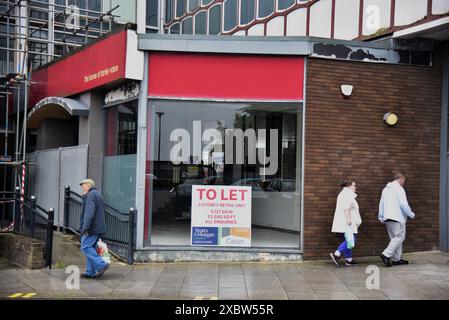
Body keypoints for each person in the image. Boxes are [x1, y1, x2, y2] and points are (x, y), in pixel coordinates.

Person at [378, 173, 415, 267]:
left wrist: (381, 216)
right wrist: (410, 214)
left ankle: (396, 259)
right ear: (401, 179)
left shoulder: (385, 189)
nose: (404, 183)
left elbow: (381, 204)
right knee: (399, 237)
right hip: (397, 217)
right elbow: (403, 204)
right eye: (404, 181)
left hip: (387, 218)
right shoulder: (399, 189)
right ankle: (386, 254)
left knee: (395, 239)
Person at [79, 178, 109, 278]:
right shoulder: (97, 194)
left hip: (92, 228)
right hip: (98, 227)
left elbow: (89, 214)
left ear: (89, 186)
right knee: (90, 248)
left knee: (86, 247)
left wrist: (85, 228)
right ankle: (90, 271)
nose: (83, 188)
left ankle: (102, 265)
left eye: (84, 186)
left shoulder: (91, 195)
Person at [330, 180, 362, 267]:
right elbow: (346, 207)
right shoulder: (347, 194)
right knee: (351, 240)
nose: (356, 187)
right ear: (349, 186)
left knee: (348, 240)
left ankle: (349, 259)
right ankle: (336, 254)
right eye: (354, 185)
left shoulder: (344, 194)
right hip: (348, 223)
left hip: (345, 222)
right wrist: (349, 219)